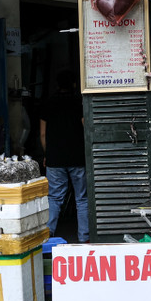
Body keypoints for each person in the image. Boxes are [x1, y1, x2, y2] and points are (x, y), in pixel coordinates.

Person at [40, 69, 89, 243]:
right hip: (77, 158)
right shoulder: (79, 102)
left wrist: (47, 154)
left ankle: (48, 235)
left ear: (57, 85)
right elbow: (86, 130)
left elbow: (43, 134)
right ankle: (84, 238)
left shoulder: (49, 103)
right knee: (82, 198)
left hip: (55, 159)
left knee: (54, 198)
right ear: (74, 84)